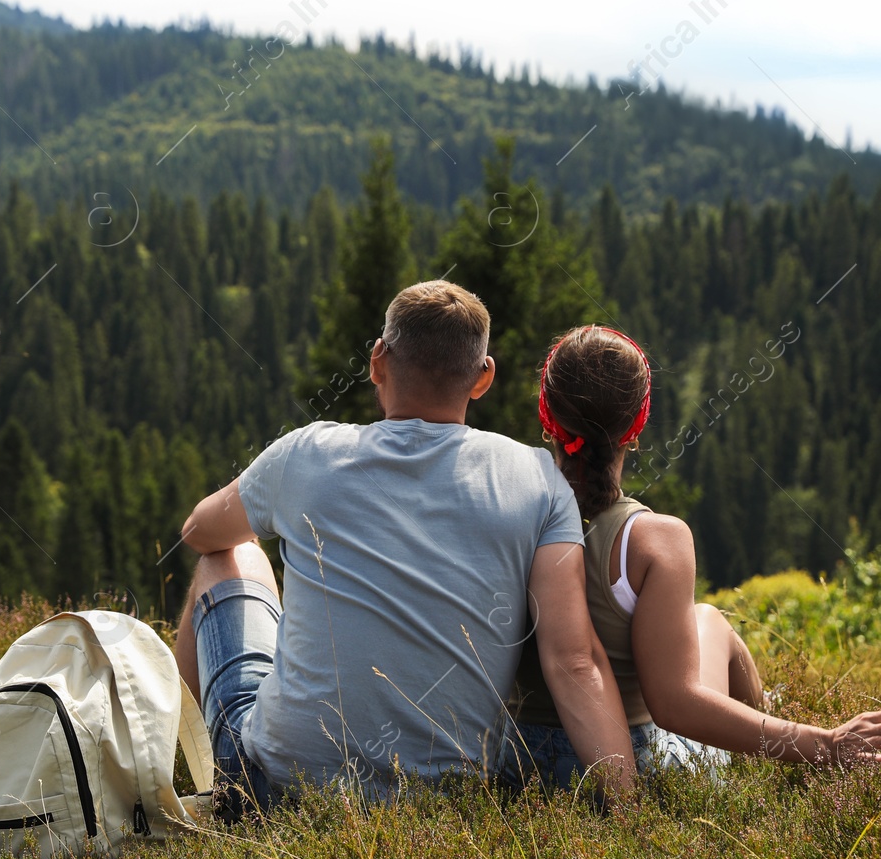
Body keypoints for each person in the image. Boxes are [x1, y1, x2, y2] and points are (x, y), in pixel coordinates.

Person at [173, 281, 636, 817]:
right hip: (446, 808)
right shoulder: (538, 480)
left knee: (231, 556)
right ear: (482, 378)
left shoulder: (307, 451)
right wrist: (627, 810)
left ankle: (182, 763)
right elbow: (574, 661)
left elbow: (198, 532)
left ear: (377, 360)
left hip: (276, 791)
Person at [509, 325, 881, 789]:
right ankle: (781, 756)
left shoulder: (507, 511)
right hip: (630, 764)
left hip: (513, 760)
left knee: (706, 617)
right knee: (712, 621)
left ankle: (769, 730)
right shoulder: (653, 539)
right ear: (637, 424)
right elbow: (675, 706)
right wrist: (825, 743)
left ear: (547, 415)